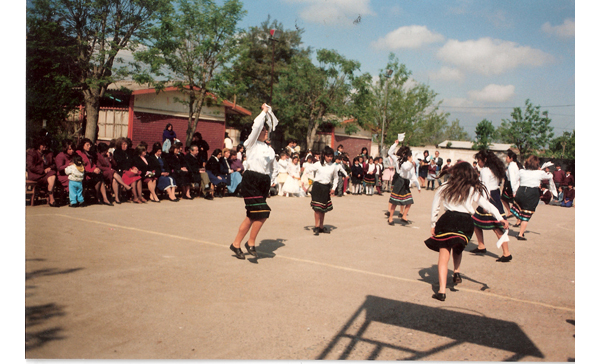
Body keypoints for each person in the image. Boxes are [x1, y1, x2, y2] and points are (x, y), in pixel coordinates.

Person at [425, 162, 509, 301]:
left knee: (443, 256)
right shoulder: (471, 189)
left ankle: (441, 291)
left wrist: (433, 223)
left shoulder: (444, 186)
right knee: (458, 246)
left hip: (448, 220)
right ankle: (456, 271)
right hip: (465, 222)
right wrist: (500, 218)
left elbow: (435, 207)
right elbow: (487, 205)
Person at [230, 103, 279, 260]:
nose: (265, 132)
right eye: (263, 130)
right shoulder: (250, 144)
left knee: (252, 215)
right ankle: (250, 242)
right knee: (263, 213)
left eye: (266, 130)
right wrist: (264, 112)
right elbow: (257, 125)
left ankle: (236, 244)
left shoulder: (270, 149)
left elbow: (274, 168)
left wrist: (272, 180)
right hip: (251, 180)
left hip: (263, 182)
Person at [469, 150, 511, 261]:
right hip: (495, 195)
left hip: (489, 197)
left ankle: (506, 253)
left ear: (485, 160)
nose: (478, 162)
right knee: (475, 221)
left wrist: (485, 204)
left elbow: (485, 188)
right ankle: (481, 245)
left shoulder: (485, 170)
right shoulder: (495, 169)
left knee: (497, 226)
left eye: (479, 160)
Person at [510, 155, 557, 240]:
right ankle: (521, 234)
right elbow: (550, 176)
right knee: (527, 214)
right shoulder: (539, 173)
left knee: (520, 208)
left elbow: (514, 181)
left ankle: (519, 221)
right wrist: (541, 171)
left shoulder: (521, 171)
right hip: (532, 193)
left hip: (521, 190)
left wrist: (514, 191)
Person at [302, 146, 339, 235]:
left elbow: (336, 178)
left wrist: (334, 188)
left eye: (331, 156)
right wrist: (305, 177)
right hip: (317, 187)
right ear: (324, 156)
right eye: (328, 156)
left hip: (326, 187)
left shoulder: (333, 166)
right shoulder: (318, 164)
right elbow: (307, 169)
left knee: (323, 208)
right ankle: (316, 226)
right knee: (317, 208)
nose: (330, 158)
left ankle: (322, 226)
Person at [386, 141, 420, 225]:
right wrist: (395, 144)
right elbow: (406, 168)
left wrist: (417, 185)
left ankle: (404, 216)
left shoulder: (409, 163)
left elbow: (412, 175)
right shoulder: (400, 160)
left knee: (409, 201)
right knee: (395, 201)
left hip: (405, 182)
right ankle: (390, 218)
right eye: (411, 156)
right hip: (399, 181)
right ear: (407, 156)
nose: (412, 157)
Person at [76, 138, 113, 206]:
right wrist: (92, 170)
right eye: (87, 145)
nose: (89, 146)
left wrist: (96, 168)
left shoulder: (90, 154)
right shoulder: (79, 153)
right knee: (98, 178)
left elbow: (92, 164)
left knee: (100, 177)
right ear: (82, 145)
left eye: (90, 145)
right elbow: (81, 165)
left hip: (91, 172)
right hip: (84, 173)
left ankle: (104, 198)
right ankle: (98, 197)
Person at [26, 138, 59, 206]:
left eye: (46, 145)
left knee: (52, 174)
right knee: (51, 176)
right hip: (35, 174)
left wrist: (50, 168)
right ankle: (51, 198)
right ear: (38, 145)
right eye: (42, 145)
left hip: (46, 174)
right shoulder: (32, 153)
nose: (45, 147)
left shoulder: (49, 153)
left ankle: (51, 197)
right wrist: (42, 170)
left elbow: (54, 164)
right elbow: (30, 166)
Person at [500, 150, 520, 217]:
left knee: (505, 198)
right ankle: (511, 212)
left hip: (511, 185)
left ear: (511, 158)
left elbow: (512, 178)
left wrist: (513, 190)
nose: (506, 158)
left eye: (507, 157)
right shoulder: (514, 165)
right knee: (510, 200)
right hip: (512, 184)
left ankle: (511, 212)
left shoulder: (511, 166)